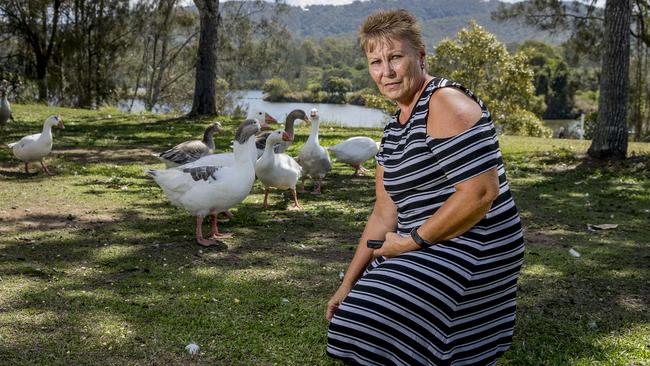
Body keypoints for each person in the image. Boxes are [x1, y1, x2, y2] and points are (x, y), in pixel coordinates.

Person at [325, 9, 525, 366]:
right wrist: (347, 283)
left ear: (420, 55)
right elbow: (384, 213)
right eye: (375, 62)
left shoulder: (445, 102)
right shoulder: (392, 131)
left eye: (395, 58)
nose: (385, 72)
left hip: (475, 245)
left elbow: (480, 194)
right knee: (347, 323)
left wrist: (411, 241)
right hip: (422, 243)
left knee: (361, 326)